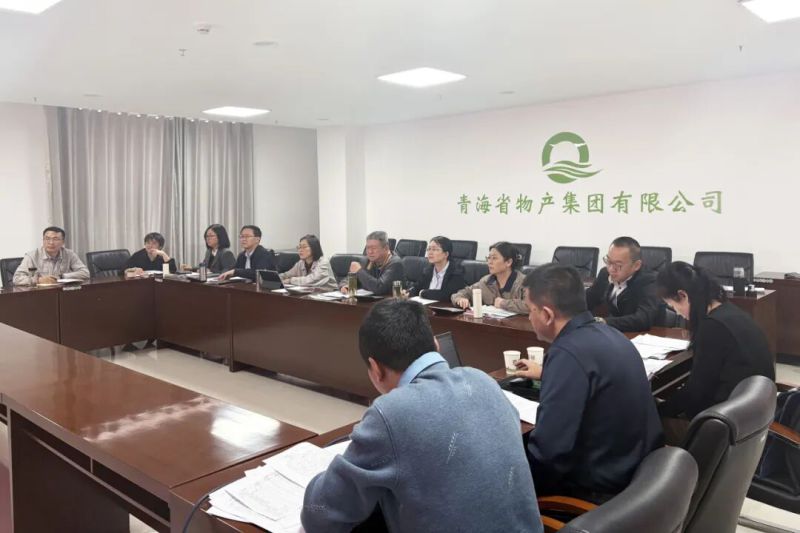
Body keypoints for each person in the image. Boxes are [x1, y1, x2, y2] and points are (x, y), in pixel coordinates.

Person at [301, 299, 543, 533]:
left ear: (375, 368)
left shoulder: (391, 413)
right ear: (436, 345)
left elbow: (320, 516)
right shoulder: (483, 380)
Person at [514, 263, 663, 500]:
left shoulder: (567, 353)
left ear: (547, 315)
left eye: (530, 310)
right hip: (640, 475)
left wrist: (512, 485)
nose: (529, 317)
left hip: (601, 493)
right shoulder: (611, 334)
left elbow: (549, 452)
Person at [656, 261, 774, 442]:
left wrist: (659, 409)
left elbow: (697, 393)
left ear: (683, 295)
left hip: (724, 428)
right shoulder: (730, 312)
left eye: (672, 306)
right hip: (751, 418)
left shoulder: (712, 327)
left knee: (650, 422)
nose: (677, 313)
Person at [585, 236, 659, 331]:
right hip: (613, 333)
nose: (611, 269)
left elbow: (643, 319)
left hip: (645, 335)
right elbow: (588, 299)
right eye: (608, 261)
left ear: (636, 265)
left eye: (618, 265)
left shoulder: (650, 281)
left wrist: (605, 322)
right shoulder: (605, 274)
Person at [451, 241, 528, 313]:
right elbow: (462, 293)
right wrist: (460, 299)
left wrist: (503, 303)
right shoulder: (486, 281)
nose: (489, 262)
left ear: (508, 262)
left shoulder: (525, 282)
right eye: (488, 258)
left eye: (494, 258)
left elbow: (530, 306)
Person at [13, 226, 90, 286]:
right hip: (39, 294)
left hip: (62, 292)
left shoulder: (69, 254)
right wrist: (39, 280)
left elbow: (85, 273)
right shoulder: (32, 256)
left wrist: (62, 276)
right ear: (43, 240)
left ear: (63, 242)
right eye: (47, 239)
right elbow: (17, 278)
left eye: (55, 239)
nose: (51, 242)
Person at [338, 231, 404, 296]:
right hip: (367, 301)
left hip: (390, 302)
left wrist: (359, 271)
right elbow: (348, 279)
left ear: (386, 248)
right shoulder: (366, 261)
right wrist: (344, 286)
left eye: (374, 248)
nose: (370, 251)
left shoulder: (395, 264)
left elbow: (379, 287)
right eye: (367, 248)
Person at [407, 236, 467, 301]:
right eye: (428, 249)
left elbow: (448, 294)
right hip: (426, 305)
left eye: (434, 249)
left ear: (446, 254)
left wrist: (422, 293)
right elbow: (417, 287)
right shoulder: (428, 270)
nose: (430, 253)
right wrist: (408, 292)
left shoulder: (456, 271)